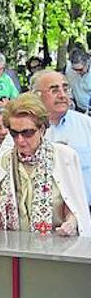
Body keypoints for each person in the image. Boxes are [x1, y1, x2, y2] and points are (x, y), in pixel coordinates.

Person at [0, 95, 90, 236]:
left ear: (42, 129)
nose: (20, 140)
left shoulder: (64, 157)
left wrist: (71, 223)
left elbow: (74, 206)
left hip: (57, 247)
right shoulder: (3, 161)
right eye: (14, 133)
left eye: (27, 133)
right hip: (13, 248)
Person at [37, 70, 91, 204]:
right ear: (38, 96)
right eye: (54, 90)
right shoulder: (27, 129)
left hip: (85, 209)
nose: (62, 95)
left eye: (66, 89)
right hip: (44, 213)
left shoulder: (86, 124)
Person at [65, 48, 91, 113]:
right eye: (75, 70)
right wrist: (70, 99)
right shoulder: (69, 71)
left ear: (87, 62)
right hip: (79, 109)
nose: (78, 72)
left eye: (81, 69)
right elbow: (69, 88)